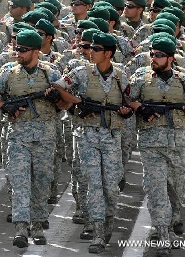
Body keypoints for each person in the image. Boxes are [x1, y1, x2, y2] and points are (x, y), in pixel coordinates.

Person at [53, 32, 132, 253]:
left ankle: (107, 224)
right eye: (91, 48)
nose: (91, 52)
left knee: (111, 186)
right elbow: (58, 86)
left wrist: (126, 111)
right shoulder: (80, 72)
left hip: (112, 137)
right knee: (94, 184)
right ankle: (97, 232)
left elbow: (131, 100)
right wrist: (78, 101)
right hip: (87, 135)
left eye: (96, 49)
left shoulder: (120, 76)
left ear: (108, 53)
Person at [125, 35, 185, 256]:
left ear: (170, 58)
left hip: (179, 144)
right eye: (151, 53)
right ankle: (163, 235)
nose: (153, 58)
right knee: (156, 189)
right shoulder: (140, 78)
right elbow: (127, 98)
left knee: (177, 189)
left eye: (159, 55)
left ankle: (175, 214)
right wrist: (139, 106)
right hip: (151, 145)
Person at [0, 29, 62, 248]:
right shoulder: (8, 71)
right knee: (19, 181)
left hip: (45, 137)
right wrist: (3, 105)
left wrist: (57, 98)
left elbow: (66, 99)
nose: (17, 52)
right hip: (18, 136)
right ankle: (20, 227)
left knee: (40, 181)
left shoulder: (50, 73)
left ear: (36, 51)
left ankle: (37, 225)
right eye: (16, 47)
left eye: (22, 49)